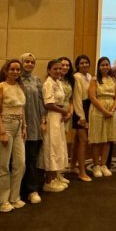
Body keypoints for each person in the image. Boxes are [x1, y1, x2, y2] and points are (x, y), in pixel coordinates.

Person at [0, 59, 26, 213]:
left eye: (18, 69)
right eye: (12, 69)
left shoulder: (20, 86)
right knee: (3, 165)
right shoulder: (1, 87)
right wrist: (2, 132)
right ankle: (2, 200)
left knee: (20, 163)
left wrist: (24, 126)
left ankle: (14, 197)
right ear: (6, 70)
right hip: (5, 125)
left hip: (18, 127)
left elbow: (22, 108)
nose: (15, 72)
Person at [20, 52, 45, 204]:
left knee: (32, 158)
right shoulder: (15, 79)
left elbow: (41, 102)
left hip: (34, 124)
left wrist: (43, 120)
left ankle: (32, 190)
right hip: (17, 125)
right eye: (26, 61)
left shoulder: (36, 80)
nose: (29, 64)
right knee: (18, 160)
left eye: (32, 62)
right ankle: (18, 191)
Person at [42, 60, 69, 192]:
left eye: (60, 68)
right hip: (52, 117)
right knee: (51, 147)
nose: (58, 71)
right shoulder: (48, 83)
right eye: (55, 69)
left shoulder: (58, 82)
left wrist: (63, 112)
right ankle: (49, 181)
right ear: (48, 70)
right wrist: (63, 111)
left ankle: (55, 176)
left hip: (58, 117)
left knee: (58, 146)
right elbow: (48, 103)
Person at [88, 57, 116, 178]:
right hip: (98, 110)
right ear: (99, 67)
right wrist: (104, 111)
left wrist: (112, 109)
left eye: (107, 65)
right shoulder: (94, 79)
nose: (105, 67)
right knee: (97, 140)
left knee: (107, 140)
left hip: (111, 111)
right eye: (102, 65)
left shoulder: (113, 79)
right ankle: (96, 166)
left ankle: (103, 165)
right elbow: (92, 97)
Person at [71, 55, 92, 182]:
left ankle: (73, 166)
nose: (84, 65)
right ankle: (82, 172)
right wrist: (81, 116)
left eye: (86, 62)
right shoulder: (76, 77)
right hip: (80, 110)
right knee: (84, 140)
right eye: (82, 63)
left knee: (77, 140)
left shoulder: (89, 76)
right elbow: (77, 98)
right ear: (77, 65)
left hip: (88, 108)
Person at [58, 56, 75, 169]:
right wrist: (64, 112)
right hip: (58, 111)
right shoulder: (55, 80)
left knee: (63, 141)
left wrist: (70, 113)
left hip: (68, 113)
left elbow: (71, 99)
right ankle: (56, 170)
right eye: (62, 65)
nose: (65, 67)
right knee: (57, 142)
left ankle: (61, 169)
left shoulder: (69, 80)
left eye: (67, 65)